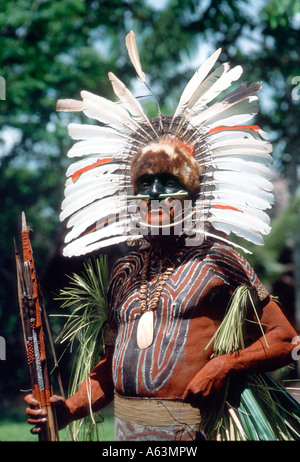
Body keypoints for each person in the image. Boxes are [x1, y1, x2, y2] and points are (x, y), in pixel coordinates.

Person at [25, 32, 299, 441]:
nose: (154, 194)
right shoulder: (125, 272)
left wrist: (224, 366)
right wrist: (67, 410)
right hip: (129, 434)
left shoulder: (217, 259)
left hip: (195, 432)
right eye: (145, 183)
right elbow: (109, 369)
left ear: (193, 193)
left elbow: (287, 340)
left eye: (168, 182)